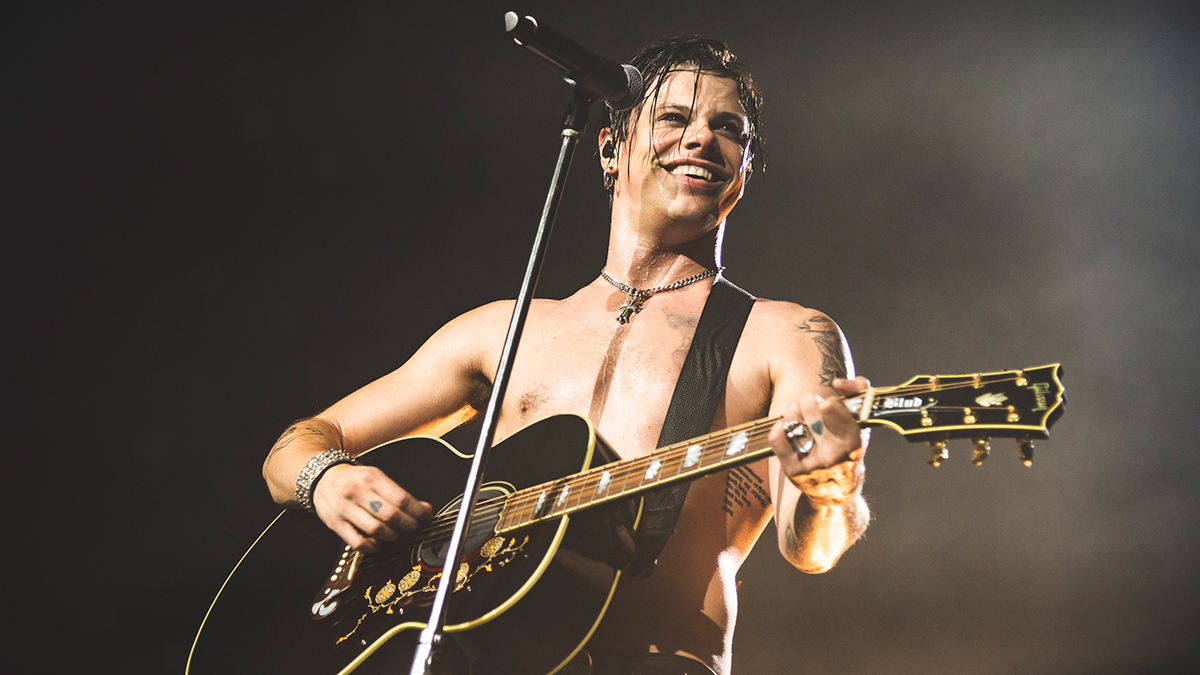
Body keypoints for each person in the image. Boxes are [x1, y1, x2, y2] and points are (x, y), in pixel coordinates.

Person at [262, 36, 869, 675]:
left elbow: (812, 548)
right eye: (673, 118)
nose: (701, 139)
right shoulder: (504, 329)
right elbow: (294, 448)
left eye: (728, 129)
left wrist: (831, 484)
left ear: (741, 173)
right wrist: (327, 480)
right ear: (609, 149)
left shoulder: (787, 335)